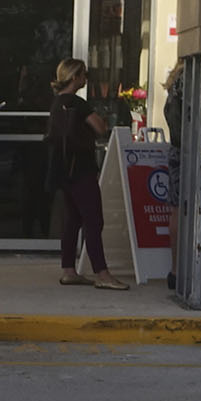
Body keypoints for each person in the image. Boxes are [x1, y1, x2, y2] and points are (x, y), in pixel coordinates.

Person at [46, 58, 125, 290]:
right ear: (74, 77)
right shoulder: (78, 104)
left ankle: (69, 269)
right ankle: (102, 273)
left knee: (73, 219)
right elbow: (100, 127)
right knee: (93, 219)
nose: (85, 79)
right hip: (82, 167)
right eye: (84, 74)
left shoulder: (57, 103)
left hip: (63, 169)